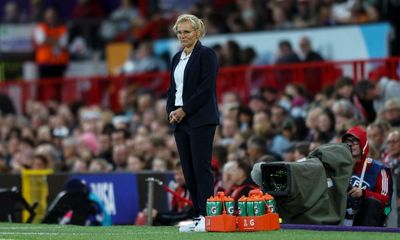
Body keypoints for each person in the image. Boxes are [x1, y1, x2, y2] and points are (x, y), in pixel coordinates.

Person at [166, 14, 219, 232]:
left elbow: (205, 89)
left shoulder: (207, 55)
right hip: (180, 120)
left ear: (198, 32)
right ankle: (197, 215)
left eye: (187, 31)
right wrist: (171, 111)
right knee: (188, 170)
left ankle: (207, 216)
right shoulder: (177, 57)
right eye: (179, 32)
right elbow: (173, 89)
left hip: (200, 119)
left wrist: (184, 110)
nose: (182, 36)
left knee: (201, 168)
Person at [342, 126, 392, 226]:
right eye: (348, 141)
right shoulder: (338, 166)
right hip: (341, 213)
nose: (351, 144)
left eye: (355, 141)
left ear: (363, 144)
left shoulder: (378, 169)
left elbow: (387, 201)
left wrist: (364, 193)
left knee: (372, 203)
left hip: (367, 217)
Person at [33, 7, 69, 102]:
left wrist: (48, 39)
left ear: (56, 17)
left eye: (52, 16)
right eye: (48, 16)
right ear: (45, 17)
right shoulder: (40, 27)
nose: (50, 18)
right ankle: (40, 104)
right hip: (45, 63)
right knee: (42, 87)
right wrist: (56, 40)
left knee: (58, 88)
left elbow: (64, 43)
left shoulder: (62, 28)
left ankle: (57, 104)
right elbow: (41, 40)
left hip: (59, 63)